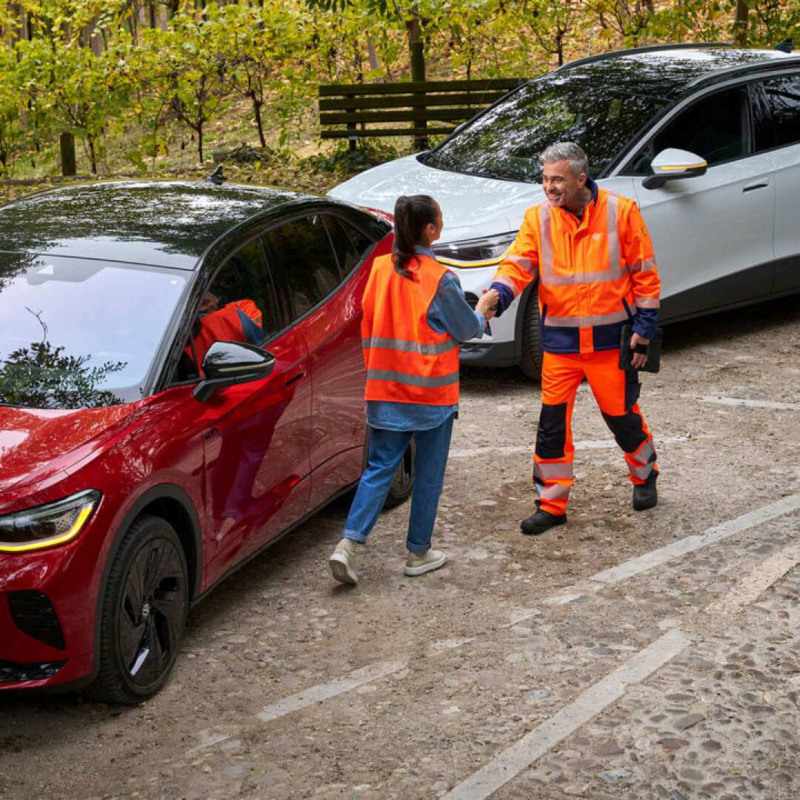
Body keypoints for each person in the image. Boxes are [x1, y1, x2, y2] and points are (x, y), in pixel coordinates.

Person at [489, 142, 662, 536]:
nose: (548, 187)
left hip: (609, 344)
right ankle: (551, 504)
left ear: (581, 179)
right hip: (561, 346)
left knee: (622, 419)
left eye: (557, 180)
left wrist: (644, 330)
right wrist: (497, 295)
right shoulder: (539, 218)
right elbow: (517, 264)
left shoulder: (622, 212)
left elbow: (645, 274)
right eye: (545, 179)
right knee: (551, 426)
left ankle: (645, 473)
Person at [329, 194, 498, 585]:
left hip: (385, 389)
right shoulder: (440, 279)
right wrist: (484, 307)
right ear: (430, 229)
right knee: (427, 474)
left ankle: (348, 545)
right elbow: (466, 330)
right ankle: (418, 551)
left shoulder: (380, 269)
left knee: (378, 469)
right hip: (429, 395)